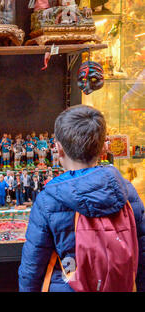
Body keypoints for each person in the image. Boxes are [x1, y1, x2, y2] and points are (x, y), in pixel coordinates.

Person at [19, 105, 145, 292]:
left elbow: (32, 267)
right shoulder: (127, 191)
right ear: (104, 147)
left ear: (58, 149)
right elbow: (141, 252)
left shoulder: (48, 199)